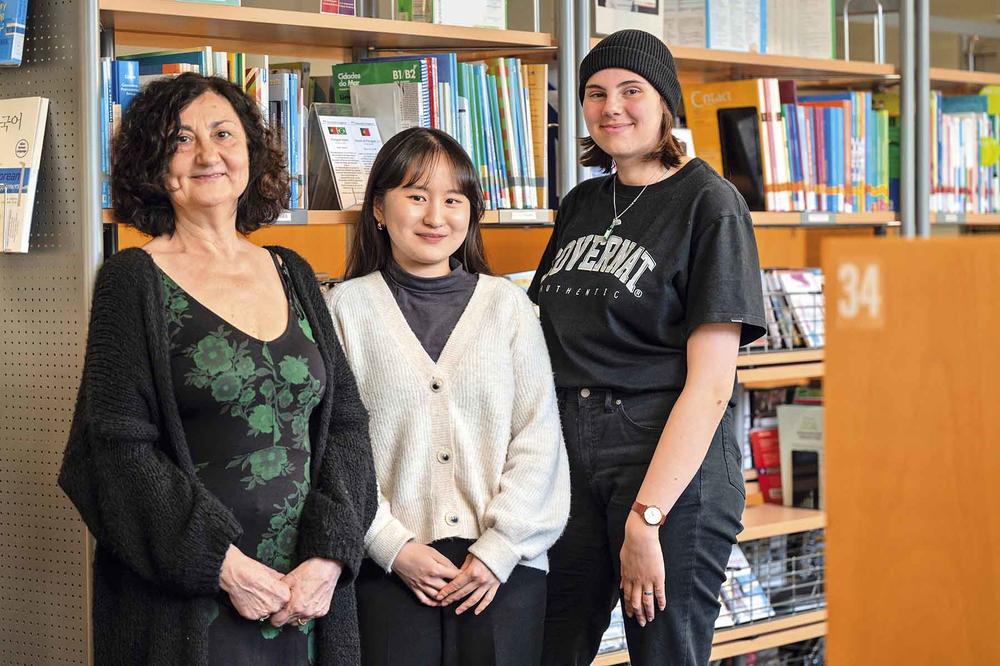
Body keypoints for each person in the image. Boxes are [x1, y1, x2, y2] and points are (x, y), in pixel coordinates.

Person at [58, 73, 377, 666]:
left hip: (308, 597)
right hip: (191, 606)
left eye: (223, 134)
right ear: (155, 166)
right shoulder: (131, 282)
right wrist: (223, 566)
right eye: (181, 140)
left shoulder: (291, 271)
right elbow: (115, 453)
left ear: (251, 152)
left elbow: (345, 426)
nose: (208, 154)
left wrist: (330, 556)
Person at [529, 30, 768, 665]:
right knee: (546, 646)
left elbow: (711, 385)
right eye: (595, 93)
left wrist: (648, 515)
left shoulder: (710, 205)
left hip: (664, 457)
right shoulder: (582, 203)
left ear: (665, 102)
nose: (612, 107)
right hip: (568, 452)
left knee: (664, 653)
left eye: (631, 90)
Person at [326, 127, 570, 666]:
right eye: (416, 196)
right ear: (379, 209)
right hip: (387, 572)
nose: (436, 216)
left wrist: (499, 550)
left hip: (504, 574)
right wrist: (391, 545)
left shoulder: (509, 307)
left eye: (453, 200)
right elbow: (335, 451)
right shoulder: (344, 309)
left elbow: (539, 440)